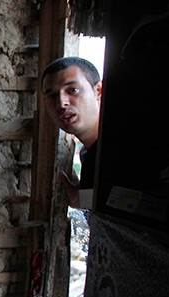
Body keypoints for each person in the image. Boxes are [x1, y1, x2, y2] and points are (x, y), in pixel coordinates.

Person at [41, 56, 103, 208]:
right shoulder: (90, 156)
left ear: (98, 91)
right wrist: (81, 200)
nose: (62, 103)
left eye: (73, 90)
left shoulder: (125, 146)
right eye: (52, 96)